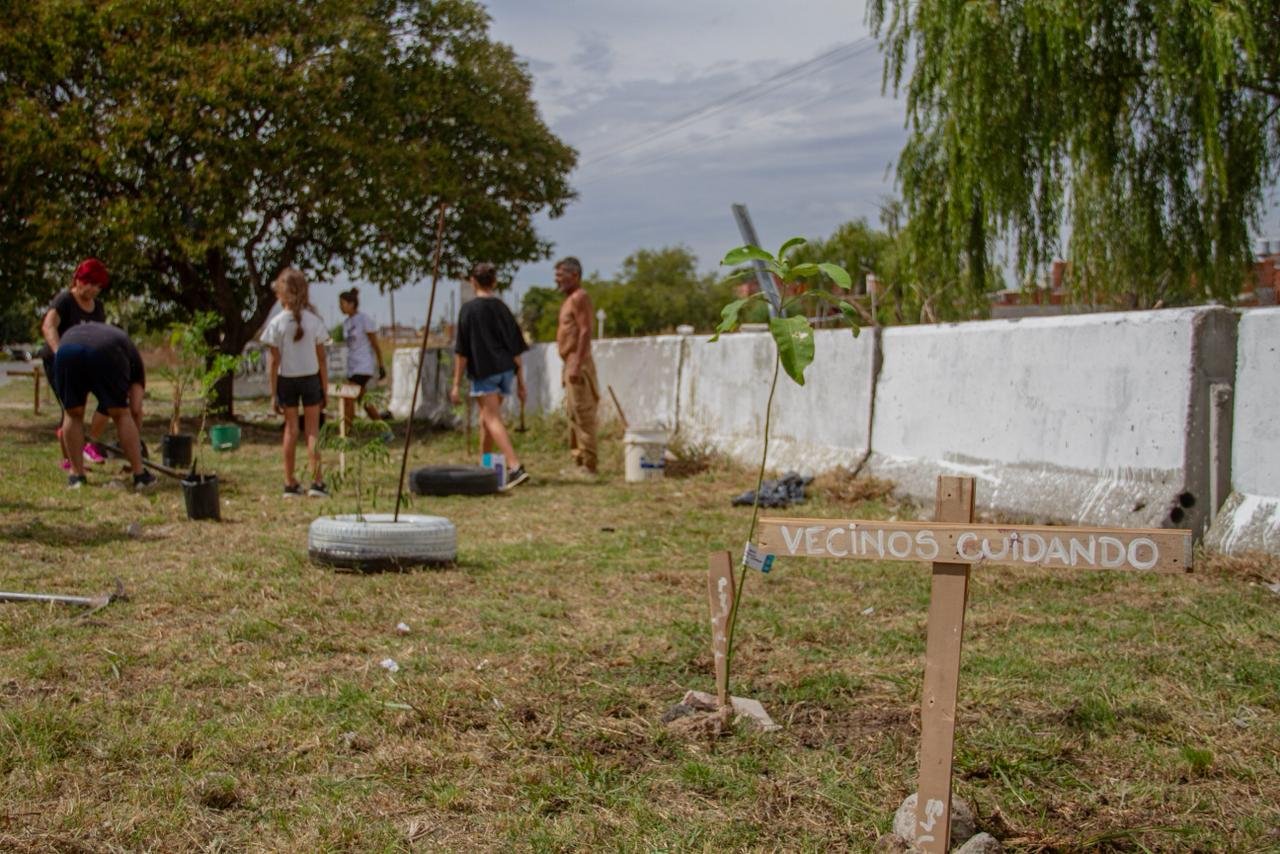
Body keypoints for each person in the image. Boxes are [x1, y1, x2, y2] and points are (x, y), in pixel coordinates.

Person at [450, 262, 530, 489]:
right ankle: (484, 468)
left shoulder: (468, 310)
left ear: (472, 282)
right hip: (506, 370)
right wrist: (521, 383)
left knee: (491, 418)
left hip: (485, 370)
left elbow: (461, 352)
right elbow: (516, 346)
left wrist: (456, 384)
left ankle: (515, 466)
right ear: (494, 282)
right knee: (485, 419)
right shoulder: (502, 308)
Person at [52, 322, 154, 491]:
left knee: (72, 414)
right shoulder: (136, 363)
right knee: (121, 413)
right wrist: (135, 450)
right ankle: (140, 476)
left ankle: (76, 476)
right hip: (105, 351)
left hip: (66, 350)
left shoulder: (121, 342)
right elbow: (135, 409)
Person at [261, 268, 330, 498]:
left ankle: (289, 482)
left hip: (286, 380)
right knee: (312, 430)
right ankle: (317, 482)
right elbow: (321, 358)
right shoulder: (314, 322)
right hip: (311, 378)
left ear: (281, 294)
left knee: (291, 430)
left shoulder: (276, 324)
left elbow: (273, 362)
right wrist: (325, 387)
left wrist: (273, 393)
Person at [40, 258, 112, 470]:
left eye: (98, 286)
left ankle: (89, 443)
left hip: (86, 362)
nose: (94, 289)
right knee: (72, 409)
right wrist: (60, 352)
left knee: (110, 399)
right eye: (90, 283)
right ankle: (70, 460)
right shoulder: (65, 300)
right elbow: (48, 326)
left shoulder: (98, 307)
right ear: (79, 280)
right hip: (58, 361)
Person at [554, 256, 599, 476]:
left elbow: (585, 330)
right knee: (573, 415)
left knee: (583, 414)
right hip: (569, 362)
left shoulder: (580, 297)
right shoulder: (570, 299)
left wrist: (576, 363)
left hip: (577, 363)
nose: (558, 280)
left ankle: (589, 464)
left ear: (575, 275)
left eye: (562, 275)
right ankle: (579, 461)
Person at [337, 288, 391, 435]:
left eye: (342, 303)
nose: (340, 307)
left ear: (351, 304)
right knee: (364, 401)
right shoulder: (347, 323)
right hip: (352, 368)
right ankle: (384, 431)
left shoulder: (364, 320)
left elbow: (375, 344)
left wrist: (381, 365)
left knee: (348, 397)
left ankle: (346, 433)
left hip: (363, 366)